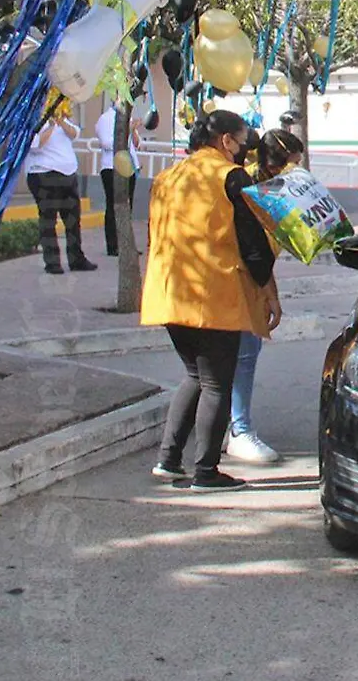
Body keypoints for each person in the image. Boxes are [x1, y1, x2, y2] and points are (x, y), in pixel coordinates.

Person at [143, 111, 278, 491]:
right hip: (213, 292)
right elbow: (252, 243)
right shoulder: (230, 178)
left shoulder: (167, 177)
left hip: (170, 292)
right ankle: (206, 471)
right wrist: (266, 288)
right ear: (225, 141)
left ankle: (169, 460)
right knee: (218, 383)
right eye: (240, 141)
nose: (243, 150)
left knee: (194, 376)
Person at [227, 128, 304, 465]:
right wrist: (268, 291)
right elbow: (253, 249)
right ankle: (238, 430)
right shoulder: (247, 190)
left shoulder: (271, 191)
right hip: (238, 281)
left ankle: (226, 427)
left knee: (241, 354)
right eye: (292, 164)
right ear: (274, 163)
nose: (296, 171)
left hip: (253, 280)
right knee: (242, 354)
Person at [26, 98, 95, 275]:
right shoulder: (32, 119)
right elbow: (35, 144)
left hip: (68, 173)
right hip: (43, 173)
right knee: (48, 220)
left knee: (73, 220)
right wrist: (49, 125)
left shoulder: (62, 119)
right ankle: (52, 263)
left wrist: (60, 121)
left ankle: (76, 259)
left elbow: (74, 134)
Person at [95, 104, 141, 257]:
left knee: (128, 206)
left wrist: (133, 130)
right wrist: (127, 131)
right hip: (111, 167)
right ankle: (113, 245)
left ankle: (127, 245)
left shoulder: (128, 118)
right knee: (113, 206)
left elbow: (136, 144)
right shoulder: (105, 119)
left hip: (129, 166)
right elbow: (107, 144)